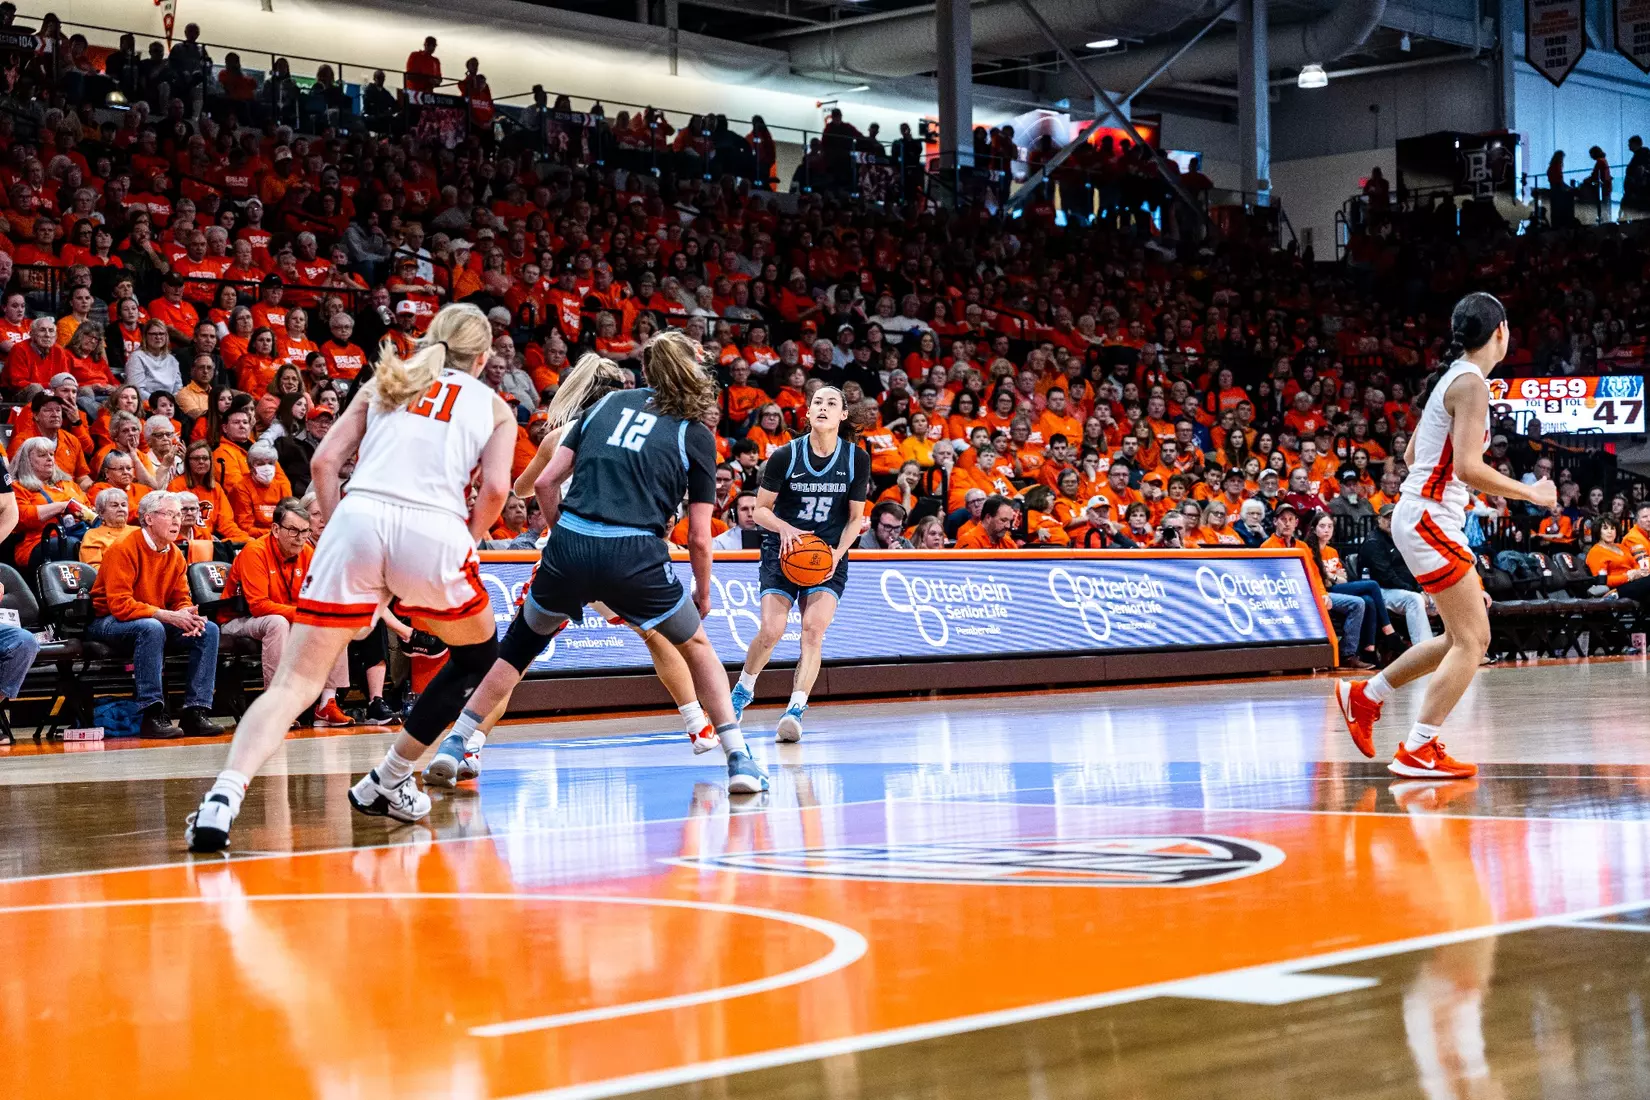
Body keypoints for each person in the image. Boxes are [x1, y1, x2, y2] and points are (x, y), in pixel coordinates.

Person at [186, 303, 518, 852]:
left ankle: (223, 798)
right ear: (481, 357)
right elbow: (498, 491)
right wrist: (469, 537)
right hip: (434, 531)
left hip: (358, 518)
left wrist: (344, 536)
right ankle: (389, 776)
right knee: (479, 661)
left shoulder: (385, 379)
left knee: (295, 683)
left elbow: (323, 465)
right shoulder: (493, 406)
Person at [417, 331, 768, 798]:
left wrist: (565, 532)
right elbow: (701, 537)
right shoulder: (694, 433)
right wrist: (702, 591)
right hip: (634, 554)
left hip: (569, 549)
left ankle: (457, 743)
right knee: (693, 644)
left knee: (517, 651)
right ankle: (735, 755)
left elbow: (542, 483)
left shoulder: (603, 406)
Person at [1336, 293, 1556, 780]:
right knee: (1476, 640)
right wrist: (1532, 493)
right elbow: (1466, 467)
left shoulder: (1452, 380)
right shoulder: (1471, 384)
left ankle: (1365, 696)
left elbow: (1416, 455)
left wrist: (1448, 492)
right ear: (1499, 331)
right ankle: (1418, 747)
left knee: (1457, 637)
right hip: (1428, 519)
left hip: (1425, 517)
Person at [728, 386, 870, 742]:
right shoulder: (785, 456)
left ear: (843, 415)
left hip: (826, 554)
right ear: (807, 414)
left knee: (812, 630)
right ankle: (743, 689)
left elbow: (856, 519)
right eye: (817, 403)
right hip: (782, 550)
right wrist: (786, 528)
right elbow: (759, 511)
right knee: (772, 631)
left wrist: (836, 556)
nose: (823, 407)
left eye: (831, 403)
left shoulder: (856, 459)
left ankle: (795, 709)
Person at [88, 491, 225, 740]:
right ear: (149, 519)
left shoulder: (174, 554)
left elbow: (180, 597)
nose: (177, 521)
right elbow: (119, 605)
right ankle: (152, 713)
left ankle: (196, 711)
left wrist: (186, 613)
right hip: (108, 622)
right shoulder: (123, 549)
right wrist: (168, 616)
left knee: (208, 630)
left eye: (179, 514)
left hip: (153, 620)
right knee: (151, 628)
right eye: (170, 514)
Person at [220, 497, 355, 726]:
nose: (300, 538)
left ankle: (327, 704)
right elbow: (258, 606)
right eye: (293, 531)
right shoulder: (255, 551)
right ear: (275, 529)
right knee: (276, 623)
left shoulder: (307, 552)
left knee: (332, 622)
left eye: (304, 531)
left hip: (288, 616)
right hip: (240, 620)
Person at [1360, 503, 1434, 643]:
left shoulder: (1402, 539)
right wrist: (1415, 592)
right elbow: (1386, 576)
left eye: (1395, 517)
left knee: (1444, 597)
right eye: (1388, 517)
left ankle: (1458, 646)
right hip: (1380, 590)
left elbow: (1414, 569)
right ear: (1379, 519)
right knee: (1414, 600)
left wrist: (1421, 589)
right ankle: (1424, 650)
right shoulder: (1373, 542)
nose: (1392, 521)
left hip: (1403, 590)